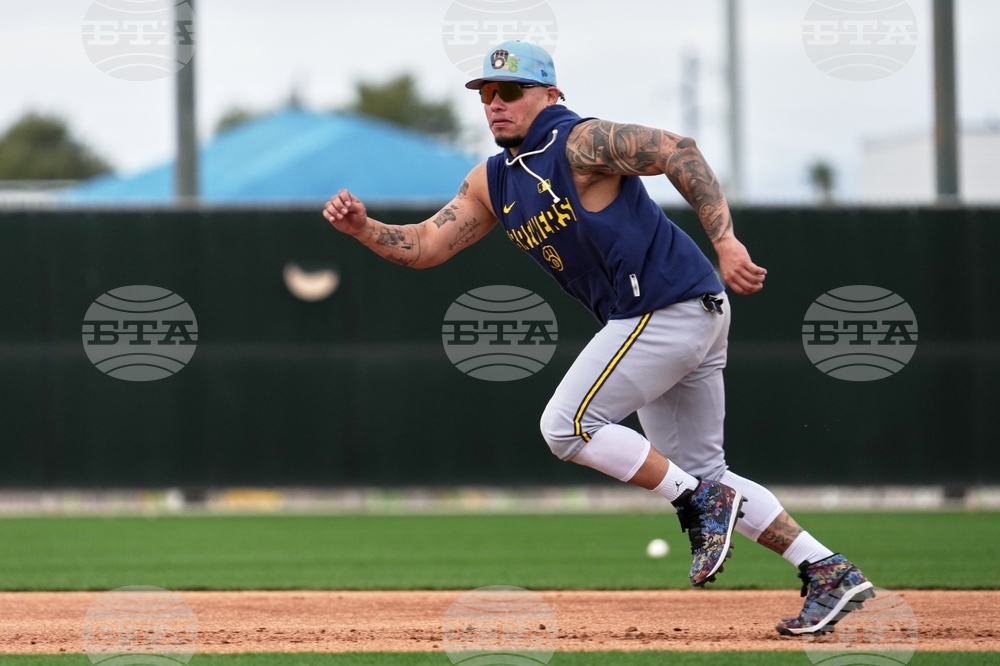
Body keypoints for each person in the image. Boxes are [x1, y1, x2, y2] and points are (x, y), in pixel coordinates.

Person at [324, 40, 873, 635]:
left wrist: (726, 239)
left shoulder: (578, 142)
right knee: (701, 470)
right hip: (684, 312)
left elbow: (675, 150)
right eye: (486, 94)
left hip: (663, 306)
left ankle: (697, 505)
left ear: (551, 94)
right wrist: (363, 228)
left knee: (565, 427)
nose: (495, 104)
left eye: (511, 91)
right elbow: (427, 246)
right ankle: (827, 569)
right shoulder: (493, 181)